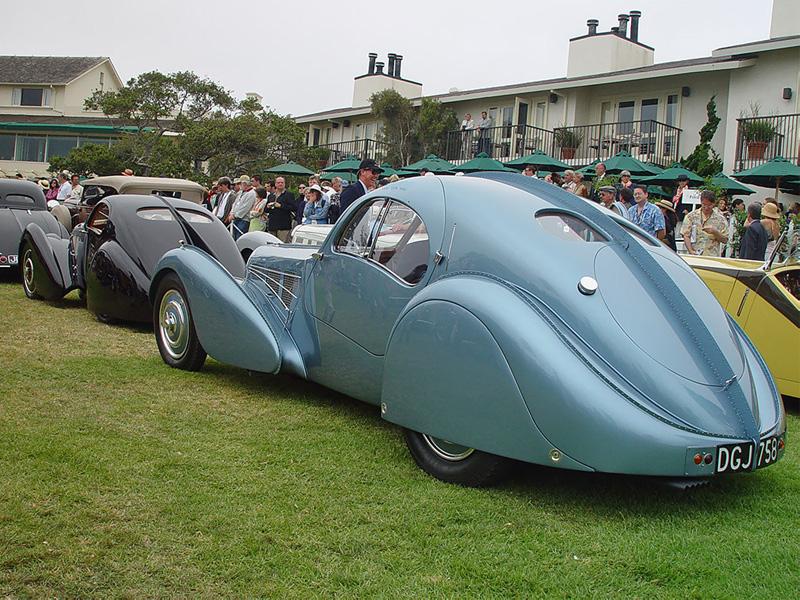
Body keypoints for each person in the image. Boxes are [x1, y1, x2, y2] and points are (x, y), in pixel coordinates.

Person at [681, 190, 728, 256]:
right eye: (704, 204)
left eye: (709, 205)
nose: (706, 208)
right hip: (695, 255)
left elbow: (725, 240)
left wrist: (715, 232)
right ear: (700, 202)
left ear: (714, 204)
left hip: (712, 257)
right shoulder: (691, 216)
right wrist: (691, 250)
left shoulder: (721, 219)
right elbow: (686, 235)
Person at [265, 176, 296, 242]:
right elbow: (266, 210)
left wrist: (280, 206)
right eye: (278, 182)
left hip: (283, 226)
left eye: (282, 182)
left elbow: (293, 208)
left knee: (282, 245)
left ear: (284, 184)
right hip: (272, 225)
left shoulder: (289, 195)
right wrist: (268, 206)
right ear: (275, 184)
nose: (280, 184)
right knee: (272, 245)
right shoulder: (271, 196)